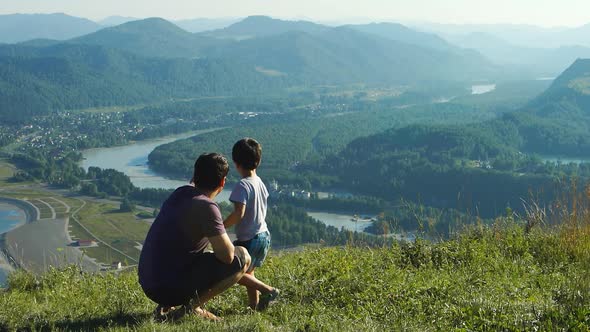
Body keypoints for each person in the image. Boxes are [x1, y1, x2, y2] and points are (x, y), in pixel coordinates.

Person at [138, 153, 251, 321]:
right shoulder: (207, 207)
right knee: (242, 257)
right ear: (222, 182)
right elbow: (227, 257)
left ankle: (167, 304)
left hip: (148, 282)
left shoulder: (179, 193)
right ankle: (190, 309)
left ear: (194, 176)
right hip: (166, 288)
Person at [224, 138, 280, 310]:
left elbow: (239, 213)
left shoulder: (242, 185)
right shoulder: (260, 182)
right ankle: (254, 306)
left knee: (233, 272)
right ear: (259, 161)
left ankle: (268, 290)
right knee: (249, 272)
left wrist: (222, 226)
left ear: (236, 163)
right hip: (263, 235)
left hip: (248, 238)